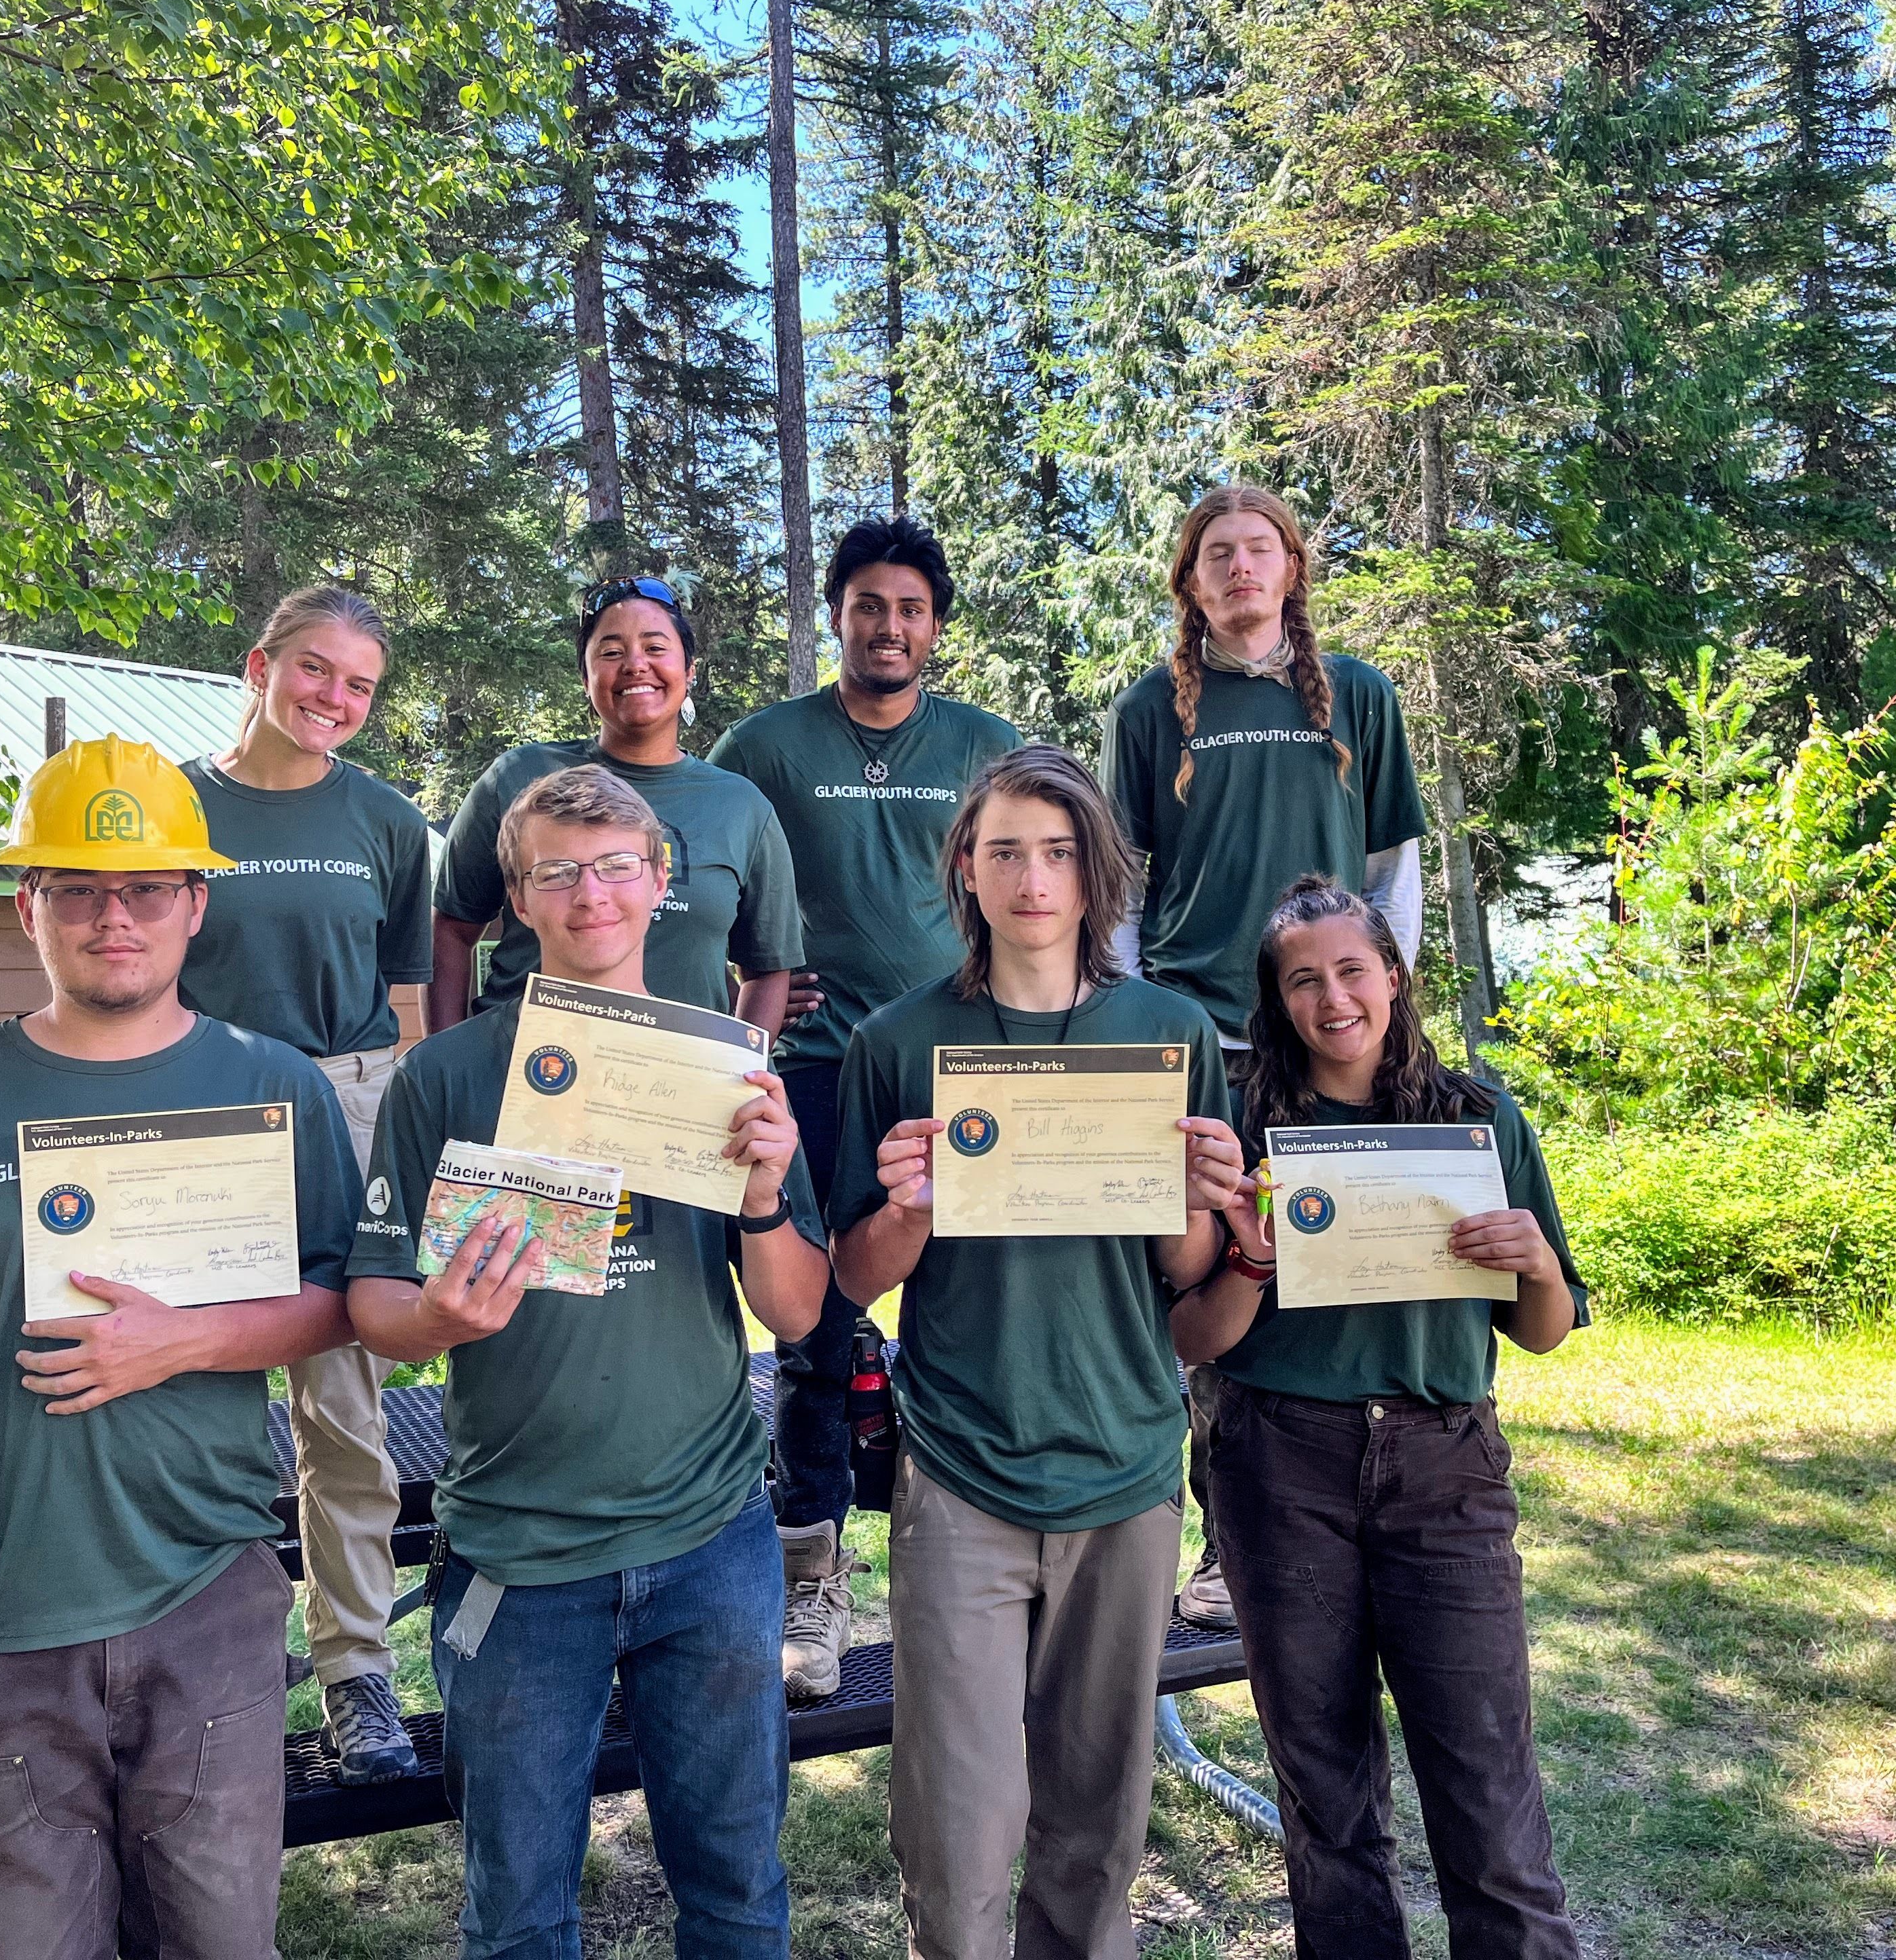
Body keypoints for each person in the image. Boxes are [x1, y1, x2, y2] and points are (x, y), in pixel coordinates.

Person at [0, 737, 363, 1960]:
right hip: (1, 1605)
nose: (111, 916)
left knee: (222, 1939)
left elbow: (343, 1300)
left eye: (143, 887)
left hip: (209, 1591)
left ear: (194, 903)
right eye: (76, 885)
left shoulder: (272, 1083)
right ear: (28, 905)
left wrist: (189, 1340)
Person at [348, 764, 831, 1960]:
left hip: (710, 1541)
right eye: (557, 871)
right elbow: (371, 1301)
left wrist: (767, 1195)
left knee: (736, 1892)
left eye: (616, 864)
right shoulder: (446, 1072)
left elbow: (799, 1306)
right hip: (517, 1553)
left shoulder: (729, 1069)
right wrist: (438, 1320)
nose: (591, 893)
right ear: (515, 899)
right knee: (515, 1915)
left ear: (660, 882)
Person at [829, 745, 1245, 1960]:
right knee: (957, 1836)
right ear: (964, 865)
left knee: (1094, 1824)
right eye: (1003, 848)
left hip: (1123, 1462)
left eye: (1058, 850)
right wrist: (906, 1205)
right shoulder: (901, 1041)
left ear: (1095, 869)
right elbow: (850, 1279)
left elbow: (1184, 1272)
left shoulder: (1166, 1030)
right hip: (963, 1465)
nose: (1031, 875)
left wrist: (1196, 1197)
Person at [1169, 878, 1584, 1960]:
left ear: (1394, 979)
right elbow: (1191, 1339)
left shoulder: (1479, 1119)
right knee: (1327, 1797)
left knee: (1488, 1794)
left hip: (1444, 1469)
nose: (1333, 998)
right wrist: (1254, 1249)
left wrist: (1536, 1260)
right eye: (1302, 980)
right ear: (1275, 1000)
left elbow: (1542, 1330)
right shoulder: (1243, 1130)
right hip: (1277, 1464)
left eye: (1352, 970)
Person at [1101, 482, 1429, 1629]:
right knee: (1201, 1283)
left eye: (1260, 548)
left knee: (1324, 1272)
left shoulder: (1360, 697)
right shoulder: (1151, 709)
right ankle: (1218, 1538)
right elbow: (1124, 886)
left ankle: (1356, 1512)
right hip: (1200, 1030)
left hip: (1329, 1032)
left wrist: (1377, 1006)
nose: (1240, 568)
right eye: (1216, 553)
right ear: (1189, 581)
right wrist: (1133, 1016)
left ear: (1291, 567)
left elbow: (1393, 872)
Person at [708, 516, 1021, 1704]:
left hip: (964, 1067)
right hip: (815, 1064)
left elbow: (1038, 882)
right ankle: (814, 1563)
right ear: (835, 614)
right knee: (817, 1315)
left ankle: (968, 1546)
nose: (889, 626)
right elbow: (713, 884)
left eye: (912, 609)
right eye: (868, 605)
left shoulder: (987, 744)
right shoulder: (767, 744)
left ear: (936, 626)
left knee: (967, 1291)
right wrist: (755, 1001)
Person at [179, 583, 437, 1786]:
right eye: (316, 670)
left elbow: (410, 1005)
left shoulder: (384, 819)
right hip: (201, 1113)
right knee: (189, 1393)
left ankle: (356, 1675)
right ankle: (210, 1655)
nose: (335, 698)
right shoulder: (173, 804)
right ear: (259, 664)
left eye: (360, 683)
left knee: (344, 1410)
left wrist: (410, 1134)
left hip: (349, 1104)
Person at [431, 575, 800, 1035]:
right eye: (611, 652)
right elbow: (452, 928)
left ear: (689, 671)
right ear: (586, 678)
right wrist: (446, 1060)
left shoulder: (741, 807)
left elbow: (767, 970)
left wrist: (742, 1075)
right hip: (524, 1073)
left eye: (655, 647)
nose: (635, 665)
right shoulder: (518, 778)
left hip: (675, 1084)